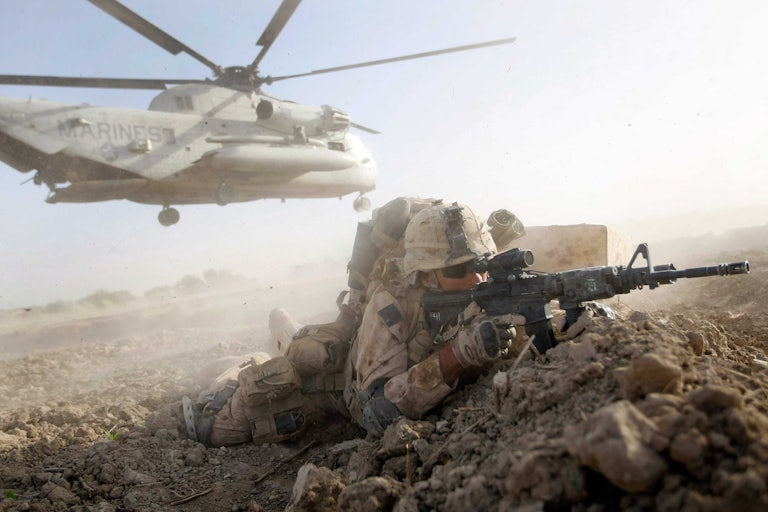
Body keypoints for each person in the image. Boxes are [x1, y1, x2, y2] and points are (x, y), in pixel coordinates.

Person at [154, 199, 548, 446]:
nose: (477, 280)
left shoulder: (483, 284)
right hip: (339, 383)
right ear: (426, 274)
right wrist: (458, 355)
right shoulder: (390, 302)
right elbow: (374, 412)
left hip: (369, 359)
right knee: (219, 427)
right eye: (460, 270)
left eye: (482, 266)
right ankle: (247, 359)